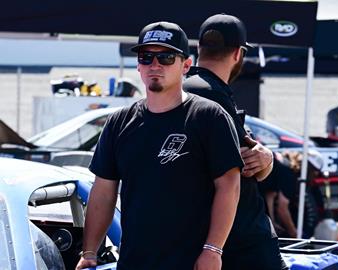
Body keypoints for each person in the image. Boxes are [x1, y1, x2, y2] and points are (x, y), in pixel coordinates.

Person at [75, 21, 244, 270]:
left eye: (166, 57)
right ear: (138, 65)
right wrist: (89, 251)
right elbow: (103, 192)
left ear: (186, 65)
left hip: (192, 262)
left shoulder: (209, 117)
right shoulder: (119, 122)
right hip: (134, 262)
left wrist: (213, 249)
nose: (155, 65)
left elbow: (229, 185)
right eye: (146, 57)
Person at [183, 14, 287, 269]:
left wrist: (265, 157)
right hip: (237, 244)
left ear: (199, 49)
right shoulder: (209, 94)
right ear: (238, 54)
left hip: (211, 242)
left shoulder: (191, 88)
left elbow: (253, 160)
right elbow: (247, 168)